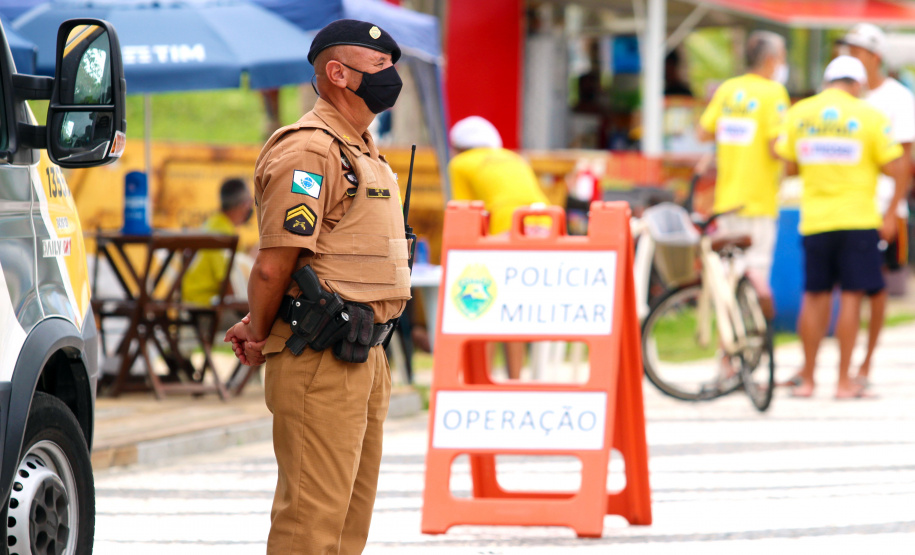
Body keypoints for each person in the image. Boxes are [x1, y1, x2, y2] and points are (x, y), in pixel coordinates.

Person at [224, 19, 411, 554]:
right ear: (338, 74)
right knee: (311, 523)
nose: (390, 76)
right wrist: (260, 331)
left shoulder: (362, 149)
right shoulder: (311, 151)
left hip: (365, 356)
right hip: (321, 357)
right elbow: (273, 264)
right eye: (379, 67)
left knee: (347, 524)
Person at [775, 56, 907, 399]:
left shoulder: (800, 113)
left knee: (814, 295)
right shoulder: (869, 116)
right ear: (858, 84)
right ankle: (844, 382)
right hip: (858, 219)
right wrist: (892, 210)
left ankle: (807, 379)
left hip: (815, 219)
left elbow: (789, 166)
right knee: (851, 296)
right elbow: (897, 167)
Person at [839, 23, 915, 387]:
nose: (849, 56)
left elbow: (906, 160)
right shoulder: (847, 96)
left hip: (883, 208)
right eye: (847, 50)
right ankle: (844, 368)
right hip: (846, 208)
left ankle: (865, 365)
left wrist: (892, 211)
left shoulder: (898, 98)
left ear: (874, 56)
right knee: (846, 288)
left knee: (876, 288)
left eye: (856, 50)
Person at [697, 30, 791, 315]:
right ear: (772, 60)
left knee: (729, 274)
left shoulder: (727, 90)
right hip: (759, 200)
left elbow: (703, 132)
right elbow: (777, 147)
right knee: (756, 271)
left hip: (727, 199)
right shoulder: (773, 93)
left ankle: (728, 348)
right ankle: (751, 339)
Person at [448, 115, 549, 380]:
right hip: (546, 226)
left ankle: (484, 380)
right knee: (513, 306)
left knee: (486, 303)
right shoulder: (514, 158)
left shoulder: (459, 163)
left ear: (457, 146)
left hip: (506, 229)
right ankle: (515, 379)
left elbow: (465, 211)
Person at [181, 177, 254, 306]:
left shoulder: (214, 224)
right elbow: (226, 281)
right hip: (205, 307)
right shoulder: (221, 236)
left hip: (195, 301)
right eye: (250, 201)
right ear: (242, 204)